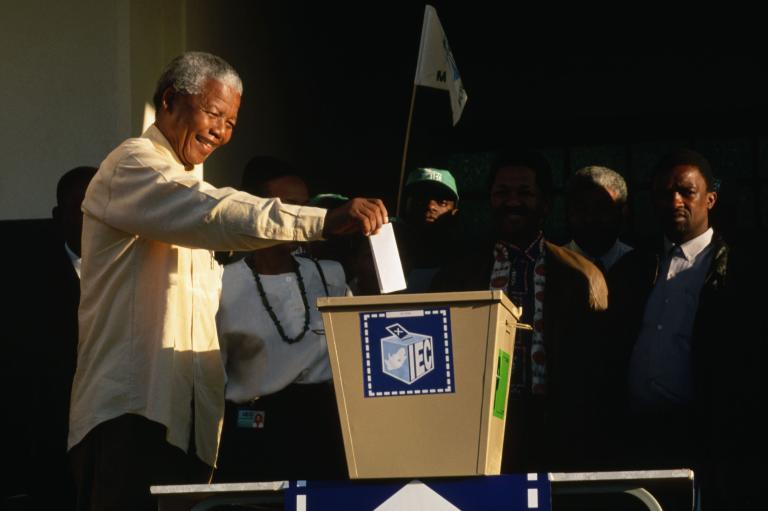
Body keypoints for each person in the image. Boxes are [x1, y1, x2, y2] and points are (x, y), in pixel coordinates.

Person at [67, 51, 387, 511]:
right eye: (214, 113)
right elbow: (216, 211)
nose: (221, 130)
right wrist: (322, 219)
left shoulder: (186, 183)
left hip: (189, 429)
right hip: (130, 415)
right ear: (171, 100)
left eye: (231, 121)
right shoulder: (134, 165)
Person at [432, 148, 608, 472]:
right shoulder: (456, 275)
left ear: (545, 204)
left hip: (557, 431)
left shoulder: (582, 276)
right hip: (479, 432)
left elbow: (594, 368)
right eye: (502, 193)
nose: (512, 201)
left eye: (524, 193)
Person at [606, 148, 762, 508]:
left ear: (710, 199)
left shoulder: (742, 270)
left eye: (686, 192)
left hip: (709, 437)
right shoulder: (633, 268)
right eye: (663, 193)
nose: (674, 200)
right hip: (638, 437)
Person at [216, 158, 348, 481]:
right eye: (289, 206)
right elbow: (212, 378)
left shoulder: (330, 274)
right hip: (256, 436)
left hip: (324, 430)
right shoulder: (222, 283)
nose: (300, 217)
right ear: (256, 208)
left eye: (305, 207)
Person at [398, 167, 460, 293]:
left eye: (442, 202)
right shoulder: (383, 258)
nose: (430, 206)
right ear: (406, 205)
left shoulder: (467, 267)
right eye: (420, 198)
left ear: (454, 212)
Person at [563, 165, 632, 273]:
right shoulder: (547, 268)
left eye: (602, 209)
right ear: (567, 212)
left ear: (623, 213)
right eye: (581, 209)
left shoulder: (642, 268)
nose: (589, 218)